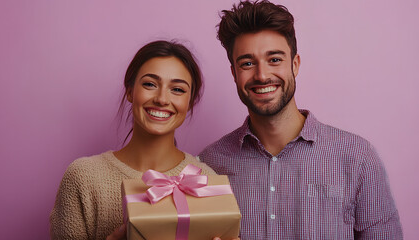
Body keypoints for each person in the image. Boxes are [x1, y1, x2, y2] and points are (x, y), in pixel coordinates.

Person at [199, 1, 403, 239]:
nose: (262, 75)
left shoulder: (357, 157)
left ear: (294, 65)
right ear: (234, 73)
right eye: (247, 63)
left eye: (274, 59)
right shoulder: (208, 166)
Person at [50, 40, 217, 240]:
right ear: (130, 91)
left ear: (189, 102)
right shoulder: (83, 178)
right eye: (150, 84)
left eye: (178, 89)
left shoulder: (204, 180)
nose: (162, 99)